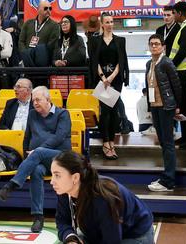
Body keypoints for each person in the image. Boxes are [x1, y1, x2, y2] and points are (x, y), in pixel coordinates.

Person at [0, 86, 71, 232]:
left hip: (61, 158)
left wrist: (37, 152)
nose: (35, 103)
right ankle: (38, 217)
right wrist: (28, 158)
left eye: (38, 99)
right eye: (33, 100)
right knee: (35, 171)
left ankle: (11, 186)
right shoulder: (32, 114)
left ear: (48, 99)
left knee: (40, 152)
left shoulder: (63, 114)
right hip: (39, 160)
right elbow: (27, 139)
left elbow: (59, 137)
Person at [51, 150, 154, 244]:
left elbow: (112, 240)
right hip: (99, 233)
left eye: (57, 175)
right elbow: (62, 220)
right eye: (52, 175)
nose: (52, 181)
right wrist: (71, 239)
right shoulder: (65, 190)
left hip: (134, 234)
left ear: (75, 177)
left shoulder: (102, 198)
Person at [144, 35, 182, 192]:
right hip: (155, 106)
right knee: (162, 141)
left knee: (168, 143)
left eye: (157, 44)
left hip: (166, 107)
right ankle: (166, 176)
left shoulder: (166, 62)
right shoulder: (149, 63)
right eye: (151, 44)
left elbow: (176, 85)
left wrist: (178, 106)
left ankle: (169, 180)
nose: (154, 47)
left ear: (163, 47)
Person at [91, 13, 128, 160]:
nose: (110, 24)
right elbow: (94, 61)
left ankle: (112, 142)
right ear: (102, 24)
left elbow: (122, 60)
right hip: (101, 79)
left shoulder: (120, 40)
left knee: (114, 112)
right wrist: (103, 78)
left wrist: (112, 77)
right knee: (105, 112)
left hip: (116, 79)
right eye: (107, 22)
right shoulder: (95, 41)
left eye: (112, 22)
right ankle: (105, 143)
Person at [163, 1, 186, 144]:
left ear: (179, 13)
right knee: (184, 107)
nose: (173, 16)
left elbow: (183, 51)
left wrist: (171, 66)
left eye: (174, 13)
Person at [19, 0, 60, 68]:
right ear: (38, 9)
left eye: (50, 8)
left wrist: (38, 53)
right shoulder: (28, 23)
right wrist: (26, 54)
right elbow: (21, 41)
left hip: (43, 60)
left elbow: (52, 44)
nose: (48, 10)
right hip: (27, 59)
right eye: (45, 8)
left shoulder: (54, 25)